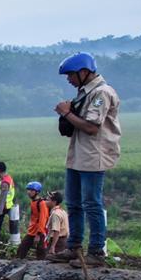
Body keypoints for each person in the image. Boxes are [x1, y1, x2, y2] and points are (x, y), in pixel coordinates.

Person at [50, 53, 121, 267]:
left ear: (83, 72)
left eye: (71, 75)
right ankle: (74, 247)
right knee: (73, 204)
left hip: (93, 155)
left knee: (92, 203)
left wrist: (66, 113)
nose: (68, 79)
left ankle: (97, 251)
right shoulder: (85, 93)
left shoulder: (101, 93)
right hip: (78, 155)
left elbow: (91, 127)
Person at [15, 182, 50, 260]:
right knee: (22, 248)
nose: (29, 192)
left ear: (37, 192)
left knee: (41, 252)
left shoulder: (42, 204)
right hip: (32, 231)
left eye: (31, 190)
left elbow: (42, 219)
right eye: (28, 190)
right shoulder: (33, 202)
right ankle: (17, 262)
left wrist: (38, 234)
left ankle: (42, 267)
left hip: (40, 232)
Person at [45, 191, 69, 257]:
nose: (46, 201)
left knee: (50, 259)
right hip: (64, 240)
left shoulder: (55, 214)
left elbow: (56, 231)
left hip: (58, 242)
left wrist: (53, 246)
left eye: (48, 199)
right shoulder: (63, 211)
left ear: (54, 202)